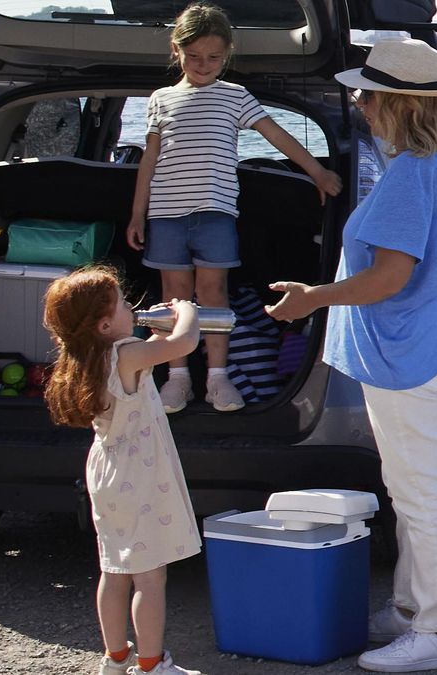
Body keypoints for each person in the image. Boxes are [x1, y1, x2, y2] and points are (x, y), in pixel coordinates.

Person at [264, 38, 437, 672]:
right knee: (413, 491)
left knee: (423, 497)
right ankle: (411, 611)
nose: (358, 102)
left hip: (406, 354)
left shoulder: (411, 174)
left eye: (365, 94)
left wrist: (312, 299)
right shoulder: (436, 163)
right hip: (421, 345)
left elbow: (388, 277)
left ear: (393, 103)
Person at [126, 1, 342, 413]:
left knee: (213, 293)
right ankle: (177, 378)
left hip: (216, 213)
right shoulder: (161, 99)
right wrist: (138, 214)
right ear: (176, 50)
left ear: (227, 55)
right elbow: (148, 162)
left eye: (213, 57)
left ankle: (217, 378)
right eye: (193, 56)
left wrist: (317, 171)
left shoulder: (234, 96)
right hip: (165, 215)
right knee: (174, 297)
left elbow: (276, 135)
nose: (203, 65)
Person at [42, 266, 204, 675]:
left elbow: (154, 350)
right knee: (149, 578)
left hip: (107, 471)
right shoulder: (125, 354)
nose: (132, 309)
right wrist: (187, 311)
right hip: (138, 474)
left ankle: (115, 659)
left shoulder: (88, 357)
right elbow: (185, 342)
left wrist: (160, 330)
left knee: (114, 570)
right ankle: (151, 665)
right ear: (104, 325)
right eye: (124, 305)